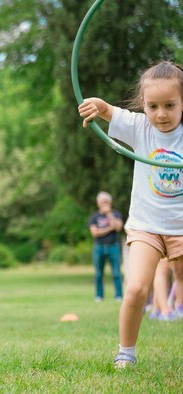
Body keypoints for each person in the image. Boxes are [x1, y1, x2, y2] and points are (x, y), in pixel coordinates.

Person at [78, 61, 183, 368]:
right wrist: (96, 105)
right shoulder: (140, 127)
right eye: (152, 106)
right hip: (146, 227)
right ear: (143, 104)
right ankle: (126, 352)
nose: (160, 114)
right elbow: (107, 109)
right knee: (136, 288)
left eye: (169, 106)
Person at [88, 191, 124, 302]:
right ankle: (99, 296)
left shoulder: (116, 214)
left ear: (110, 202)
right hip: (99, 247)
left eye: (106, 201)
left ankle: (118, 295)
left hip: (113, 246)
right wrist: (109, 228)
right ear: (98, 203)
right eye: (102, 202)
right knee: (98, 273)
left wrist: (109, 214)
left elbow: (118, 227)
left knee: (116, 272)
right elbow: (95, 233)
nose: (104, 204)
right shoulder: (94, 217)